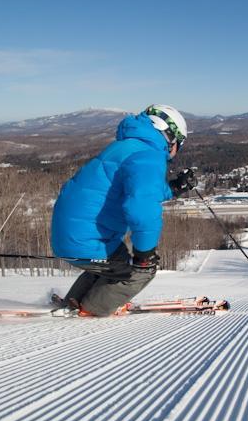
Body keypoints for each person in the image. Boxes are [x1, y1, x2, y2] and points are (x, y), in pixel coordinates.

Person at [50, 104, 197, 316]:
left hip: (72, 234)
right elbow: (141, 208)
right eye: (179, 143)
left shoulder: (127, 146)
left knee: (114, 263)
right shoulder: (149, 155)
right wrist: (144, 254)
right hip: (87, 240)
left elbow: (141, 191)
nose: (176, 150)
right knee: (141, 271)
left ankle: (74, 301)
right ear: (170, 136)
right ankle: (91, 309)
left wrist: (173, 188)